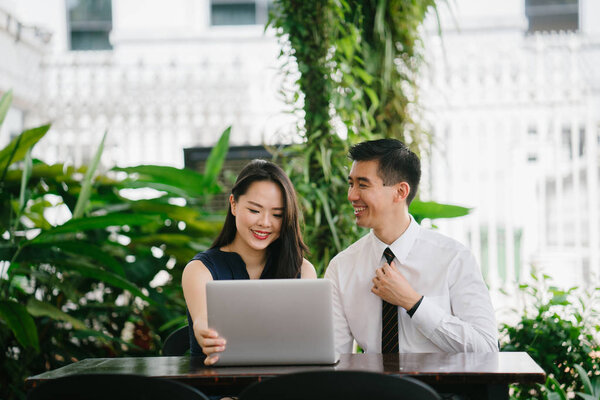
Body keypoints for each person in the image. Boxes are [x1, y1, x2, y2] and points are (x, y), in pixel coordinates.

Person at [324, 139, 498, 355]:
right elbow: (336, 358)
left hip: (442, 388)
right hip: (372, 387)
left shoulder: (454, 258)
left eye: (363, 184)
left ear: (400, 192)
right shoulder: (342, 267)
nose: (351, 196)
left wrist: (413, 303)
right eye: (351, 184)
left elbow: (487, 348)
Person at [182, 159, 316, 365]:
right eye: (254, 210)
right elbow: (202, 321)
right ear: (233, 205)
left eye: (277, 214)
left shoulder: (303, 270)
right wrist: (205, 332)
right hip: (217, 387)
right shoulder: (200, 270)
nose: (264, 222)